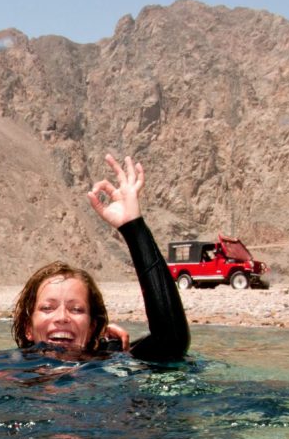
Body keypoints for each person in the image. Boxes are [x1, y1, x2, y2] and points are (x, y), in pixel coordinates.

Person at [12, 155, 189, 362]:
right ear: (28, 329)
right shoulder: (3, 370)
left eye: (77, 309)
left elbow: (171, 342)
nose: (62, 318)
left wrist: (133, 226)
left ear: (92, 327)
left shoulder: (107, 363)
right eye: (47, 308)